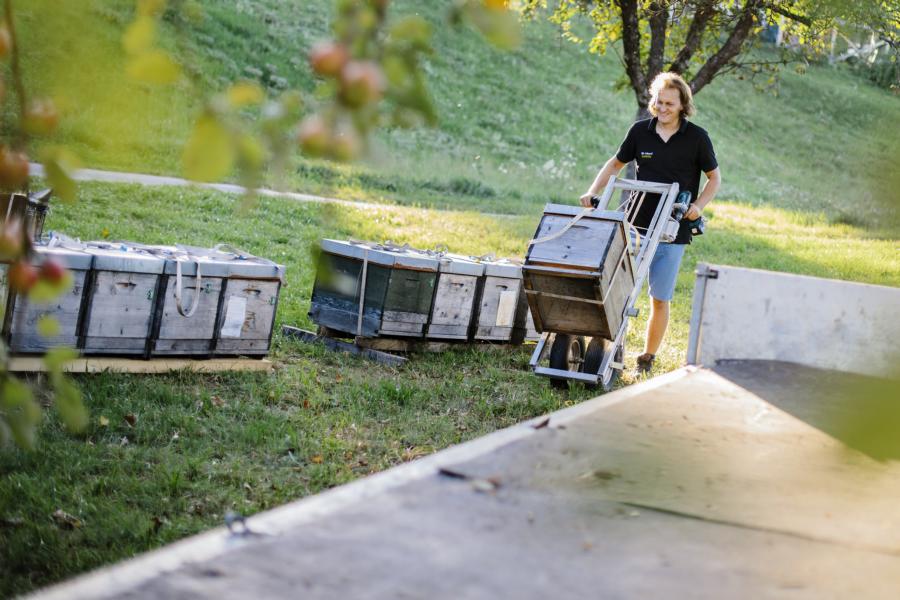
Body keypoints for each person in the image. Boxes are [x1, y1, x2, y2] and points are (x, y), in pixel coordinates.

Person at [579, 72, 721, 374]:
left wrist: (697, 206)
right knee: (619, 289)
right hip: (635, 225)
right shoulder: (640, 132)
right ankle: (612, 346)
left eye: (670, 103)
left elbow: (714, 179)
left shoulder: (697, 137)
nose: (663, 107)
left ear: (683, 105)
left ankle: (647, 357)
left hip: (672, 230)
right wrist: (593, 192)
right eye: (659, 101)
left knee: (659, 297)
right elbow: (615, 164)